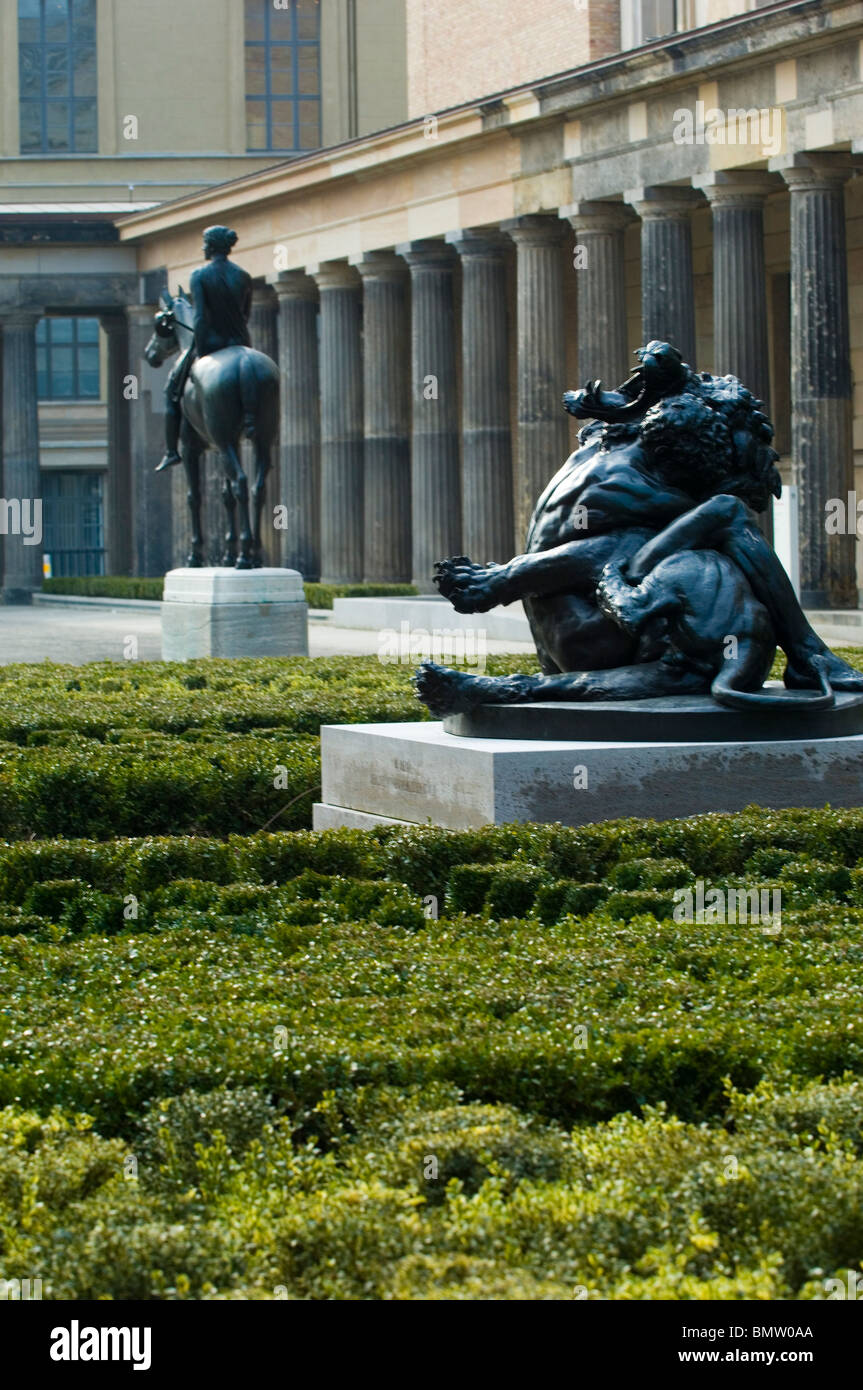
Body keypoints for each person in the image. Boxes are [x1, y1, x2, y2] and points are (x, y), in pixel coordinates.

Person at [156, 225, 254, 472]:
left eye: (204, 243)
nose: (202, 248)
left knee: (171, 390)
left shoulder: (199, 275)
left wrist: (199, 350)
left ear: (211, 246)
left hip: (212, 344)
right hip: (241, 342)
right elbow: (245, 314)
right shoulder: (243, 276)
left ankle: (171, 451)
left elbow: (200, 318)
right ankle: (252, 418)